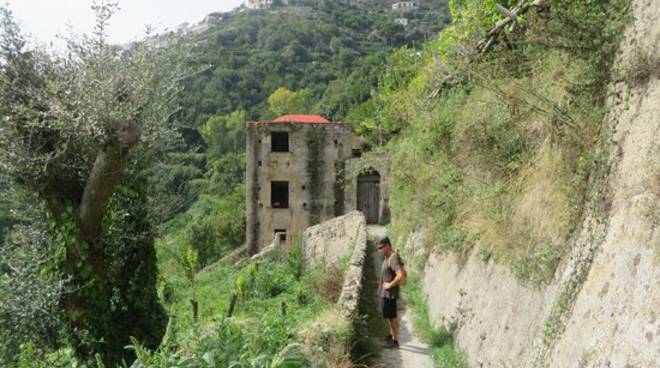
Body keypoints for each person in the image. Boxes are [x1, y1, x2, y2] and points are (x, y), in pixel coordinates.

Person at [378, 236, 405, 349]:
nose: (379, 250)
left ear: (387, 246)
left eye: (381, 247)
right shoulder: (388, 256)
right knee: (389, 317)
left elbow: (400, 275)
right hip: (387, 294)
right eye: (378, 248)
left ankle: (395, 341)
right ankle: (391, 336)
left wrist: (390, 284)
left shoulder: (393, 258)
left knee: (392, 317)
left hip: (390, 294)